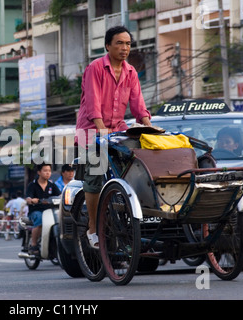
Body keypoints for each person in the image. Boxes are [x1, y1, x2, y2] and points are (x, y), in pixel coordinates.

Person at [75, 25, 151, 248]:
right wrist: (100, 128)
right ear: (108, 45)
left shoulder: (131, 72)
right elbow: (92, 103)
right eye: (119, 43)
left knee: (133, 170)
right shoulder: (95, 68)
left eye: (128, 43)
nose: (124, 48)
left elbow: (138, 105)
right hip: (90, 132)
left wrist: (149, 126)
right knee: (94, 178)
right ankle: (93, 226)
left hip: (116, 131)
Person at [25, 163, 61, 255]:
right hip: (36, 211)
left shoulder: (52, 185)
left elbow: (60, 195)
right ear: (39, 172)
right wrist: (32, 200)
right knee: (40, 219)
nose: (48, 173)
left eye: (49, 171)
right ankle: (33, 245)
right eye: (45, 171)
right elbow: (28, 199)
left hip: (50, 211)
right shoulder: (32, 185)